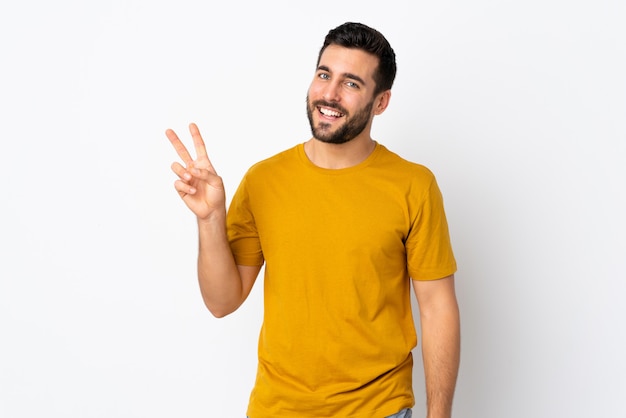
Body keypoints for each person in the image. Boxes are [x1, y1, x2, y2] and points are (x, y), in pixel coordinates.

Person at [166, 22, 460, 418]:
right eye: (324, 74)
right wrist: (210, 219)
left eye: (352, 83)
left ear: (381, 102)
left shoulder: (414, 186)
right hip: (277, 409)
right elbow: (222, 301)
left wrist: (439, 416)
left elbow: (438, 308)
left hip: (378, 409)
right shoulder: (264, 180)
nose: (329, 94)